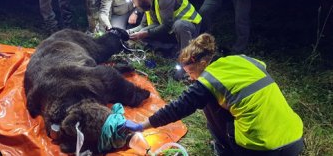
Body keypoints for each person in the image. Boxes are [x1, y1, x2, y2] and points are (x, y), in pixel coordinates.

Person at [125, 33, 304, 156]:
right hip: (295, 139)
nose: (190, 77)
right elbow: (261, 67)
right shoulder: (242, 59)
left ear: (203, 63)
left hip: (263, 148)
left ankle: (224, 149)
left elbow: (177, 108)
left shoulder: (209, 81)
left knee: (209, 102)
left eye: (190, 73)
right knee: (228, 99)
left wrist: (141, 126)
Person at [127, 0, 202, 52]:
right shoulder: (148, 4)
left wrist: (145, 33)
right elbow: (143, 25)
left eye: (133, 1)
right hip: (173, 30)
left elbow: (167, 26)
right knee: (143, 31)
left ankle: (186, 58)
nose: (134, 5)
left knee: (179, 25)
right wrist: (128, 32)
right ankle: (171, 50)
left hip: (190, 27)